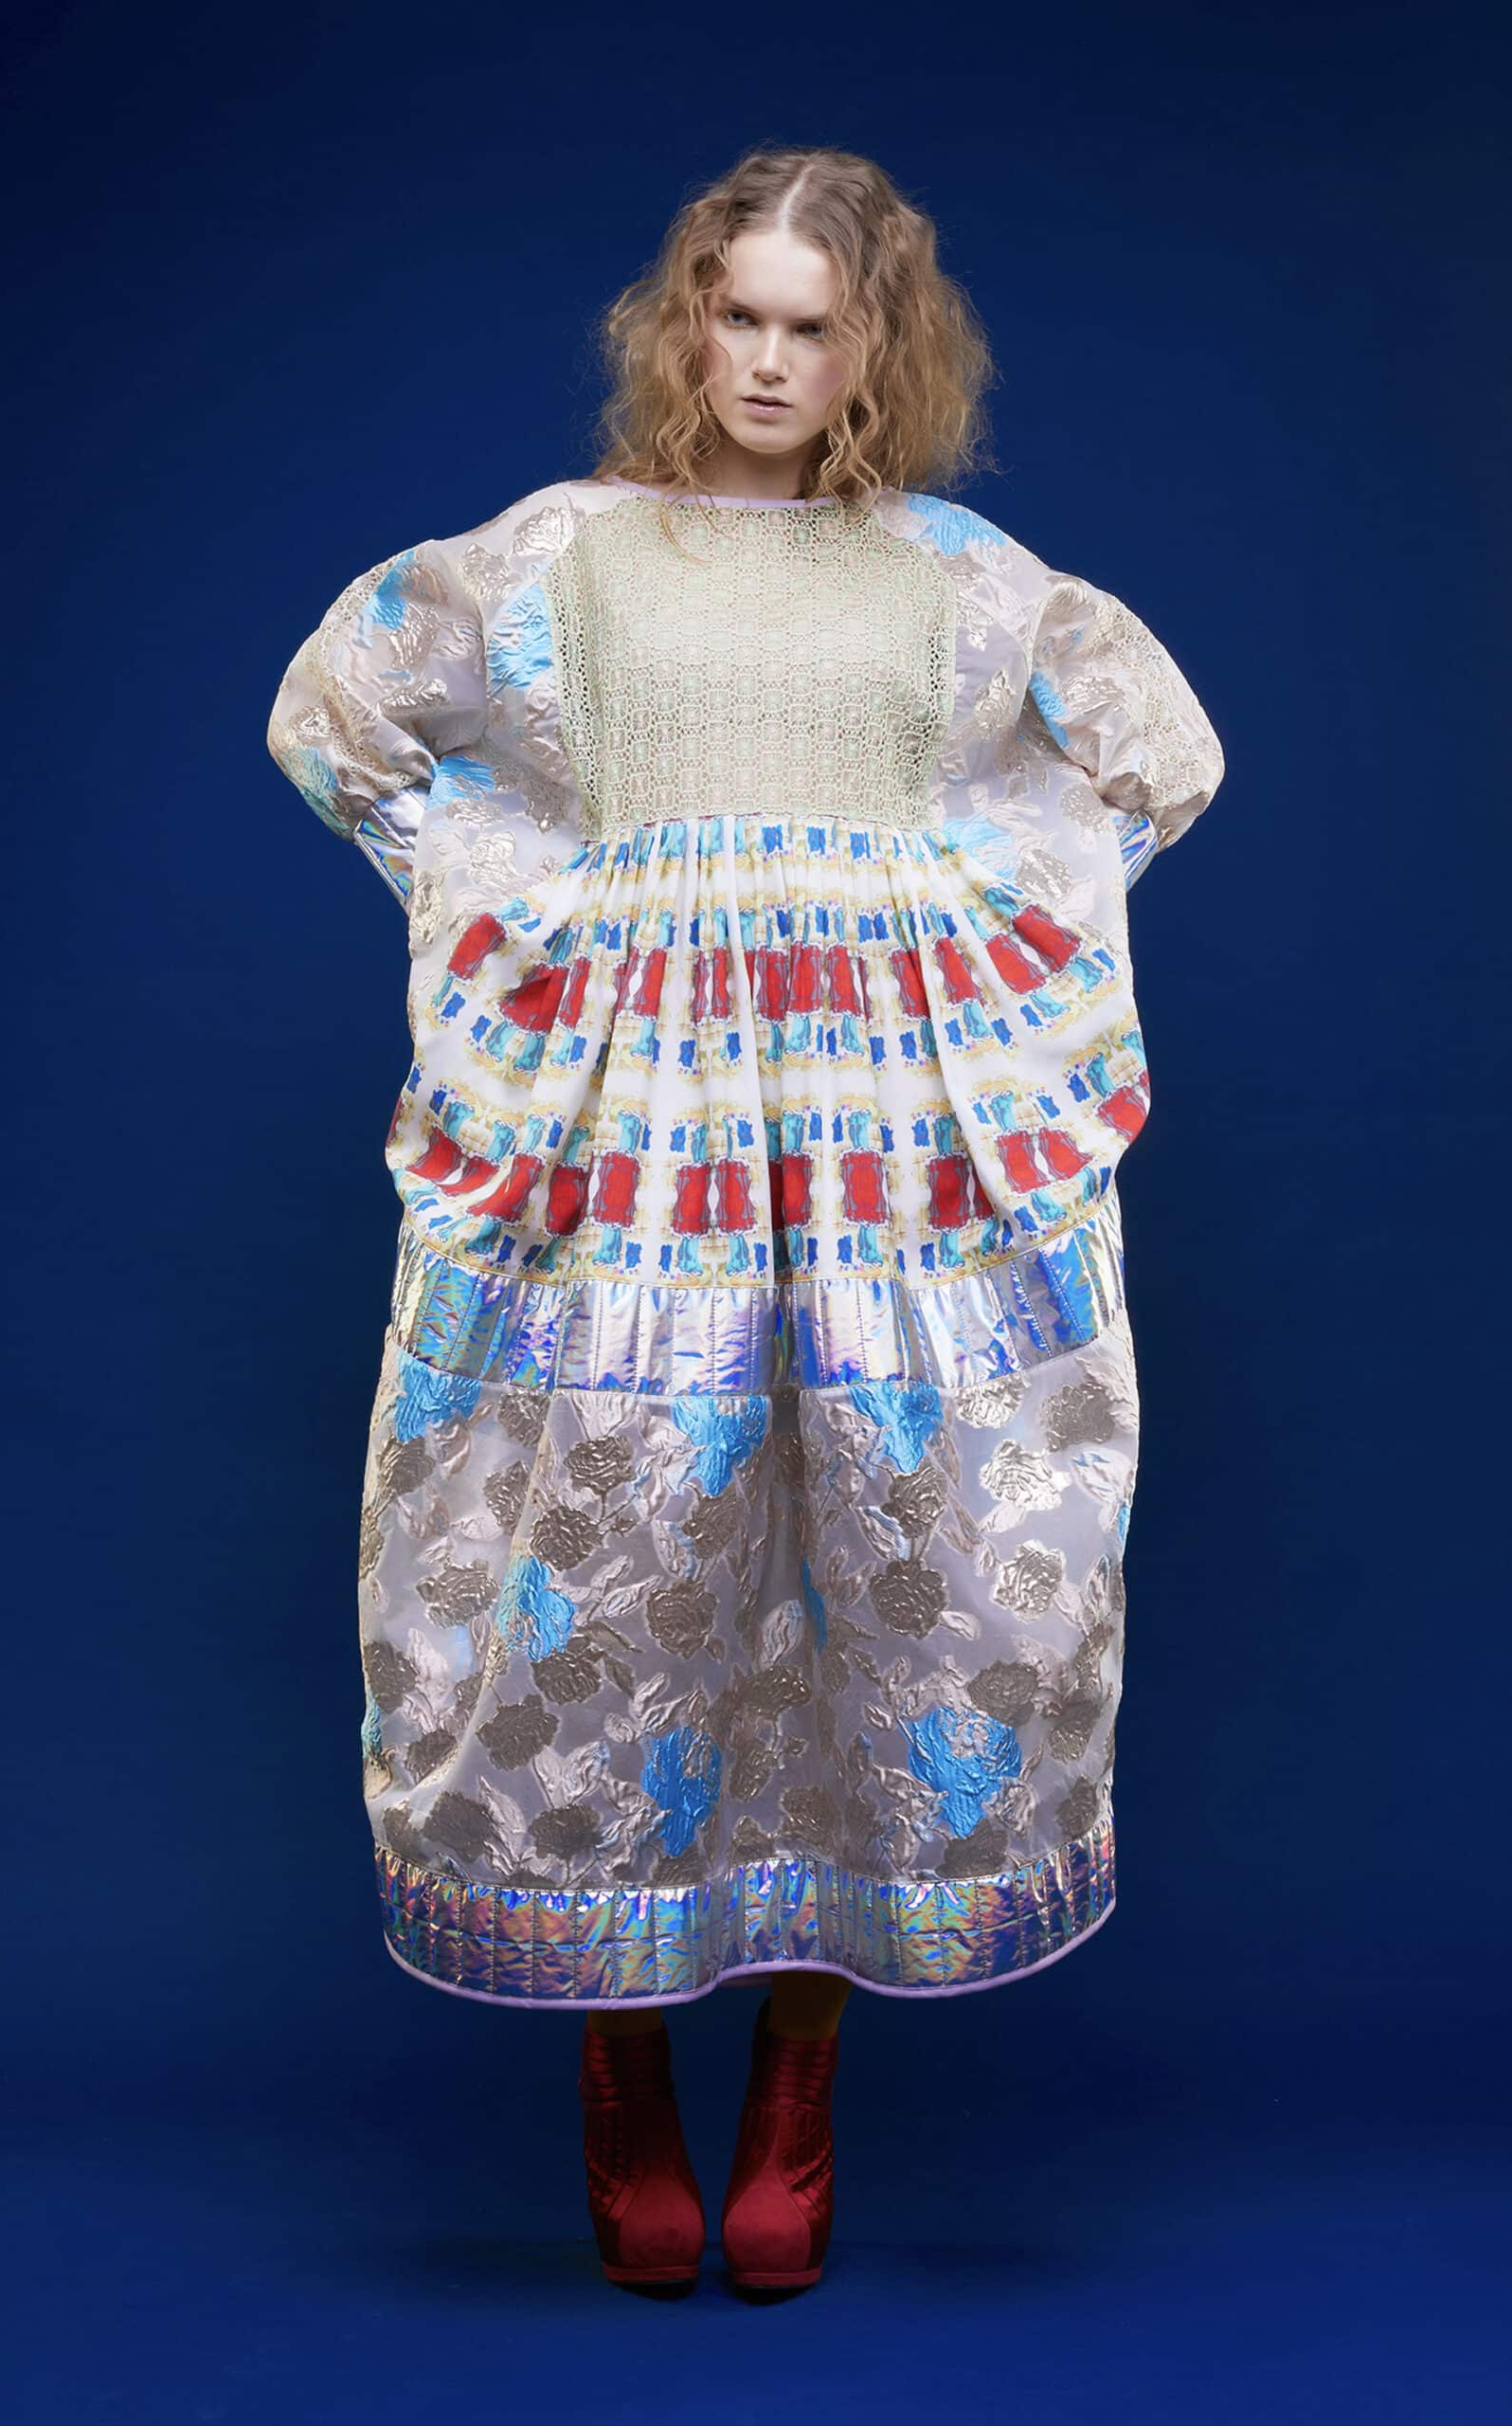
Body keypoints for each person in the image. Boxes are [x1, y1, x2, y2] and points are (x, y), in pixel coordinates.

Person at [265, 143, 1225, 2298]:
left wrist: (965, 962)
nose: (769, 361)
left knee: (889, 1556)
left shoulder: (956, 578)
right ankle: (617, 2064)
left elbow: (1148, 757)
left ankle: (802, 2069)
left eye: (813, 326)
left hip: (882, 1156)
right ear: (683, 320)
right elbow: (341, 722)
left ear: (875, 347)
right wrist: (525, 927)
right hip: (632, 1150)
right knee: (615, 1548)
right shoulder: (565, 557)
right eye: (737, 315)